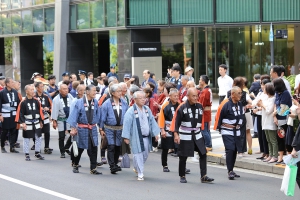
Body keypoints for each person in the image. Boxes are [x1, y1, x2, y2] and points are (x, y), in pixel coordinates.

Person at [170, 88, 214, 184]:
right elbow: (176, 122)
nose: (195, 98)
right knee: (183, 156)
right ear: (188, 96)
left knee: (203, 153)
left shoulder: (199, 106)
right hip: (186, 134)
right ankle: (182, 175)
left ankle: (204, 176)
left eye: (196, 95)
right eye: (193, 96)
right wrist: (176, 134)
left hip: (197, 134)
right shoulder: (182, 107)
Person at [122, 91, 160, 181]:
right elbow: (126, 124)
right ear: (135, 100)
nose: (143, 100)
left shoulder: (147, 109)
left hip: (146, 136)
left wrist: (155, 133)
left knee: (145, 154)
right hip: (136, 137)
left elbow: (152, 121)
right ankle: (140, 173)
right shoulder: (131, 111)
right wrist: (126, 137)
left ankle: (137, 167)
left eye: (144, 98)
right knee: (138, 154)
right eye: (141, 98)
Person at [67, 85, 101, 174]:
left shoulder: (96, 102)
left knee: (93, 148)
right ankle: (75, 164)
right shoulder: (79, 102)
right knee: (79, 148)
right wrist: (73, 128)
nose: (95, 92)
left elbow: (98, 115)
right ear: (88, 92)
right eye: (93, 90)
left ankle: (93, 168)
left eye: (96, 91)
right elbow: (74, 115)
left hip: (92, 128)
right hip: (82, 128)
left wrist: (101, 127)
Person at [99, 84, 129, 174]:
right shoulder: (107, 103)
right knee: (111, 146)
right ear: (112, 93)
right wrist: (101, 128)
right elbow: (102, 117)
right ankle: (112, 166)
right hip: (109, 128)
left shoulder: (124, 102)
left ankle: (115, 164)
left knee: (118, 147)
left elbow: (127, 116)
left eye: (121, 91)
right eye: (118, 91)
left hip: (120, 128)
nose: (120, 93)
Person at [217, 86, 245, 180]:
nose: (240, 95)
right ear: (232, 94)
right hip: (227, 130)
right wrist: (220, 128)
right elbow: (219, 117)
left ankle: (231, 169)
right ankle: (229, 171)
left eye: (241, 93)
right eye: (239, 93)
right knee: (230, 149)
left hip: (236, 131)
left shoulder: (240, 104)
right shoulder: (226, 105)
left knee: (235, 150)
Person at [15, 84, 45, 161]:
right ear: (26, 91)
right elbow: (20, 113)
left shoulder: (36, 101)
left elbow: (40, 111)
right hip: (27, 122)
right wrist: (23, 123)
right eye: (31, 90)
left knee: (39, 137)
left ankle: (37, 153)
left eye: (33, 89)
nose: (33, 91)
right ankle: (27, 154)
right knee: (26, 138)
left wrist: (41, 121)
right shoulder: (23, 102)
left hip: (36, 122)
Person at [158, 88, 180, 172]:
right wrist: (162, 130)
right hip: (167, 129)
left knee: (180, 149)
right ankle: (165, 165)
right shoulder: (165, 105)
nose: (176, 97)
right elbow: (161, 118)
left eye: (177, 96)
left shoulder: (180, 104)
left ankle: (182, 166)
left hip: (177, 129)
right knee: (165, 148)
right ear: (170, 96)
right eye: (174, 96)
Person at [51, 84, 74, 158]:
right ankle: (62, 152)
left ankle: (66, 147)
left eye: (67, 88)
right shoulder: (56, 99)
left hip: (69, 119)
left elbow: (74, 107)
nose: (66, 90)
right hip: (61, 119)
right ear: (60, 90)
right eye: (64, 89)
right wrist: (54, 121)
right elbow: (54, 111)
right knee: (61, 137)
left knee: (73, 135)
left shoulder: (70, 96)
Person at [273, 78, 292, 163]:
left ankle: (289, 156)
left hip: (285, 118)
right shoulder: (277, 93)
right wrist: (274, 117)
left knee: (287, 139)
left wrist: (274, 114)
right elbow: (275, 104)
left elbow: (283, 107)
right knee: (279, 138)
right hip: (278, 118)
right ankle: (280, 156)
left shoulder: (285, 93)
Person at [251, 78, 271, 159]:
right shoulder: (261, 93)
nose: (262, 86)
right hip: (259, 115)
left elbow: (264, 105)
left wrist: (259, 107)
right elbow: (255, 102)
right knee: (260, 134)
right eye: (261, 84)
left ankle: (267, 152)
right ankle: (263, 151)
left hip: (264, 115)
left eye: (263, 84)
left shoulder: (268, 95)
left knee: (265, 135)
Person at [0, 77, 21, 153]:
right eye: (12, 82)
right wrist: (0, 115)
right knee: (5, 131)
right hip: (5, 115)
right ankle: (2, 146)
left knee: (13, 131)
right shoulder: (2, 93)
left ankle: (12, 147)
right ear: (7, 84)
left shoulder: (15, 92)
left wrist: (19, 114)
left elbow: (18, 103)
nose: (13, 83)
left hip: (14, 114)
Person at [259, 83, 278, 163]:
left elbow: (268, 111)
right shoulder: (267, 98)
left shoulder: (272, 99)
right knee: (268, 140)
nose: (263, 89)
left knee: (273, 140)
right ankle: (270, 155)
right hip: (265, 121)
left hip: (270, 122)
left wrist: (262, 105)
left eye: (265, 88)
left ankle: (275, 156)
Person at [34, 82, 53, 154]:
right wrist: (41, 108)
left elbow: (50, 106)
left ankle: (46, 147)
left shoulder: (45, 96)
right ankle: (37, 147)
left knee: (47, 132)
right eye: (41, 87)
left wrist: (48, 108)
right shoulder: (34, 97)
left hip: (45, 116)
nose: (42, 88)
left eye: (43, 86)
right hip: (37, 117)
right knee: (37, 133)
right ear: (37, 88)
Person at [198, 75, 212, 151]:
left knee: (204, 129)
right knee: (207, 129)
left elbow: (201, 104)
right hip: (208, 111)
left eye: (200, 80)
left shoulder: (205, 91)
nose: (199, 81)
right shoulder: (208, 90)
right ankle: (209, 144)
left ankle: (208, 144)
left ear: (203, 81)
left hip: (204, 112)